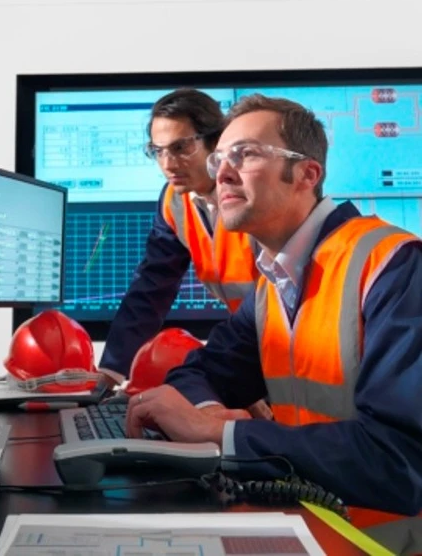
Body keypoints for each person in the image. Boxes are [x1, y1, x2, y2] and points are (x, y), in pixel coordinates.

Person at [124, 94, 422, 554]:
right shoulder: (273, 287)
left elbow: (401, 462)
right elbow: (196, 375)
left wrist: (222, 435)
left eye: (245, 155)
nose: (220, 171)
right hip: (311, 531)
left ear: (307, 174)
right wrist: (207, 414)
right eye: (221, 157)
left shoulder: (394, 268)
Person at [98, 88, 259, 387]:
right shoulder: (174, 201)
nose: (168, 164)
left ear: (216, 142)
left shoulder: (254, 194)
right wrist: (110, 371)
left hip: (290, 346)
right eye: (158, 151)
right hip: (249, 343)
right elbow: (151, 288)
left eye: (181, 147)